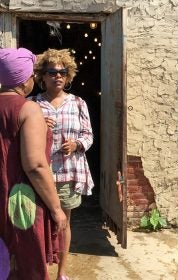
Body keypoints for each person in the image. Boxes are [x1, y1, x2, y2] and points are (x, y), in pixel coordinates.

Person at [0, 47, 67, 279]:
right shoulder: (28, 109)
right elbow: (35, 166)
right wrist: (57, 209)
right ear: (23, 80)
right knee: (26, 267)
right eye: (31, 76)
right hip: (21, 204)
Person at [32, 48, 94, 280]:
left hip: (68, 173)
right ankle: (41, 271)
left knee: (64, 223)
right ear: (42, 76)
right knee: (40, 224)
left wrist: (77, 144)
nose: (58, 76)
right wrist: (38, 125)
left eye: (63, 71)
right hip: (41, 173)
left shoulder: (78, 103)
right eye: (52, 71)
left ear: (68, 76)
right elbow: (21, 137)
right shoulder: (33, 104)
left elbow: (89, 136)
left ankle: (62, 272)